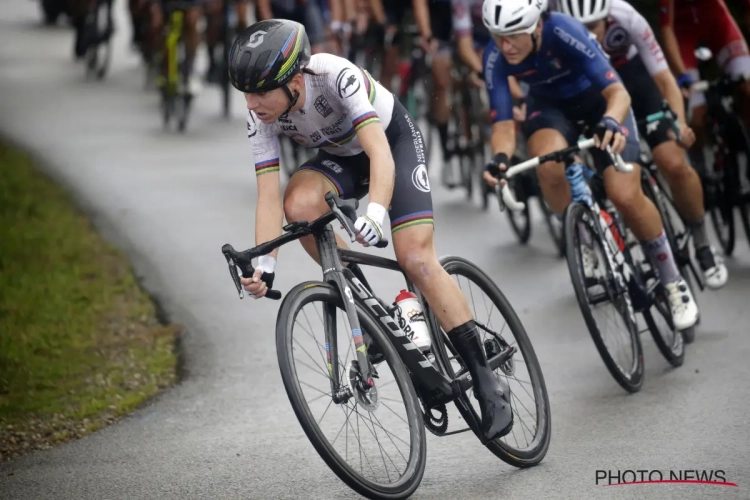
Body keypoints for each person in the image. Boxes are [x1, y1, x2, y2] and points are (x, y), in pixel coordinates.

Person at [230, 19, 513, 442]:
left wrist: (376, 213)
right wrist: (265, 263)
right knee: (299, 204)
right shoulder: (262, 115)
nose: (251, 104)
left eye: (260, 92)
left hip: (389, 143)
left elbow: (380, 153)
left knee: (414, 257)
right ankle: (367, 307)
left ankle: (485, 376)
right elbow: (268, 196)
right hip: (341, 157)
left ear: (294, 80)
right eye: (245, 93)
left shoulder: (333, 76)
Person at [480, 0, 699, 330]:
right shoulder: (496, 55)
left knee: (624, 194)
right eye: (497, 36)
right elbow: (502, 126)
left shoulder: (564, 31)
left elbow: (618, 93)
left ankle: (672, 281)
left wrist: (611, 122)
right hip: (551, 109)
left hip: (601, 103)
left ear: (537, 27)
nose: (504, 45)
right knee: (549, 168)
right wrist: (499, 159)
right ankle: (582, 234)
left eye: (512, 35)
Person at [556, 0, 728, 289]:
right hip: (595, 95)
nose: (591, 36)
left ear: (608, 19)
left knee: (673, 161)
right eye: (581, 29)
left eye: (594, 27)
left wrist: (679, 123)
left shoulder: (624, 15)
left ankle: (703, 244)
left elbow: (663, 78)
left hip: (635, 81)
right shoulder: (556, 30)